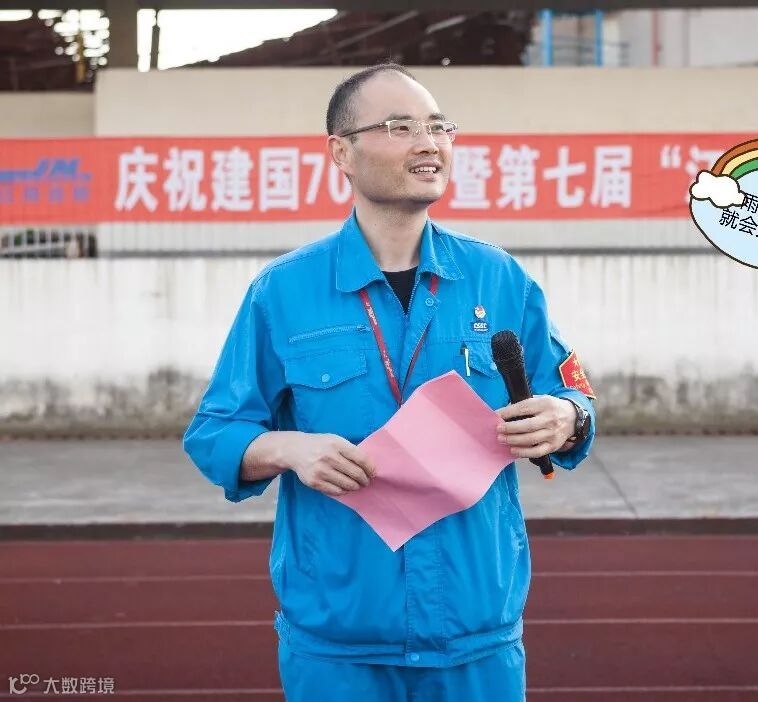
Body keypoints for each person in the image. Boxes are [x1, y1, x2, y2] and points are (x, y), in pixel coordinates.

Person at [182, 63, 596, 702]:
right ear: (340, 152)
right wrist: (290, 449)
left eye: (438, 126)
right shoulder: (283, 292)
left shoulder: (499, 279)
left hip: (477, 640)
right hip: (339, 646)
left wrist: (566, 418)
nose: (429, 143)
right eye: (400, 127)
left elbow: (571, 395)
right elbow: (215, 433)